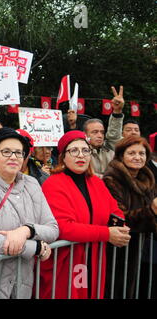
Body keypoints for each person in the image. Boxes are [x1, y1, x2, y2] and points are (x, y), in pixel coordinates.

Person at [39, 130, 131, 299]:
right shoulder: (53, 184)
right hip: (67, 262)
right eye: (73, 150)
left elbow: (115, 211)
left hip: (94, 257)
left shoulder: (96, 182)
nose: (80, 155)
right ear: (63, 157)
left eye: (85, 150)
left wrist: (120, 227)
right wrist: (107, 233)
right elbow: (64, 227)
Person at [0, 127, 59, 299]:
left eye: (19, 153)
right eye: (6, 151)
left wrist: (27, 230)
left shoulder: (32, 184)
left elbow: (53, 228)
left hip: (24, 279)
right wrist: (35, 248)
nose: (13, 157)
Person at [102, 136, 156, 298]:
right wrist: (151, 210)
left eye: (142, 153)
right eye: (132, 153)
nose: (137, 157)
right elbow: (119, 218)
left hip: (143, 249)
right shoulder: (111, 180)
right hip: (118, 252)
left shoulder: (147, 179)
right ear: (121, 155)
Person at [83, 86, 125, 177]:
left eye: (102, 132)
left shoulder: (110, 148)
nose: (100, 135)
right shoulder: (80, 152)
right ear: (85, 134)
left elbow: (114, 134)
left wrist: (117, 111)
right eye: (95, 132)